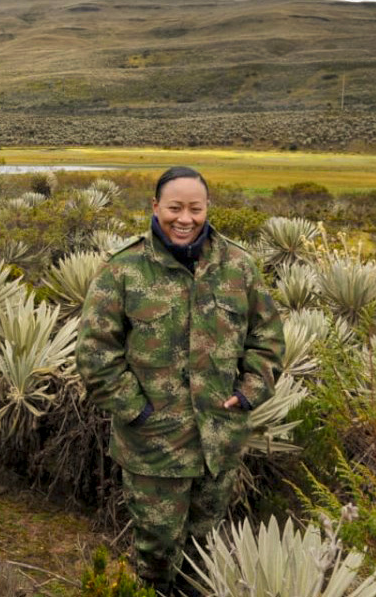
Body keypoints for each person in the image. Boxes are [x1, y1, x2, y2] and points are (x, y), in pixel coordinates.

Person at [76, 166, 284, 593]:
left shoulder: (239, 267)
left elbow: (267, 340)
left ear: (207, 208)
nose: (184, 218)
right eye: (174, 208)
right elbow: (96, 353)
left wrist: (248, 393)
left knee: (203, 550)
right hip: (154, 446)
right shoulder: (124, 269)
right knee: (156, 551)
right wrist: (138, 410)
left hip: (219, 442)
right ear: (155, 207)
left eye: (195, 208)